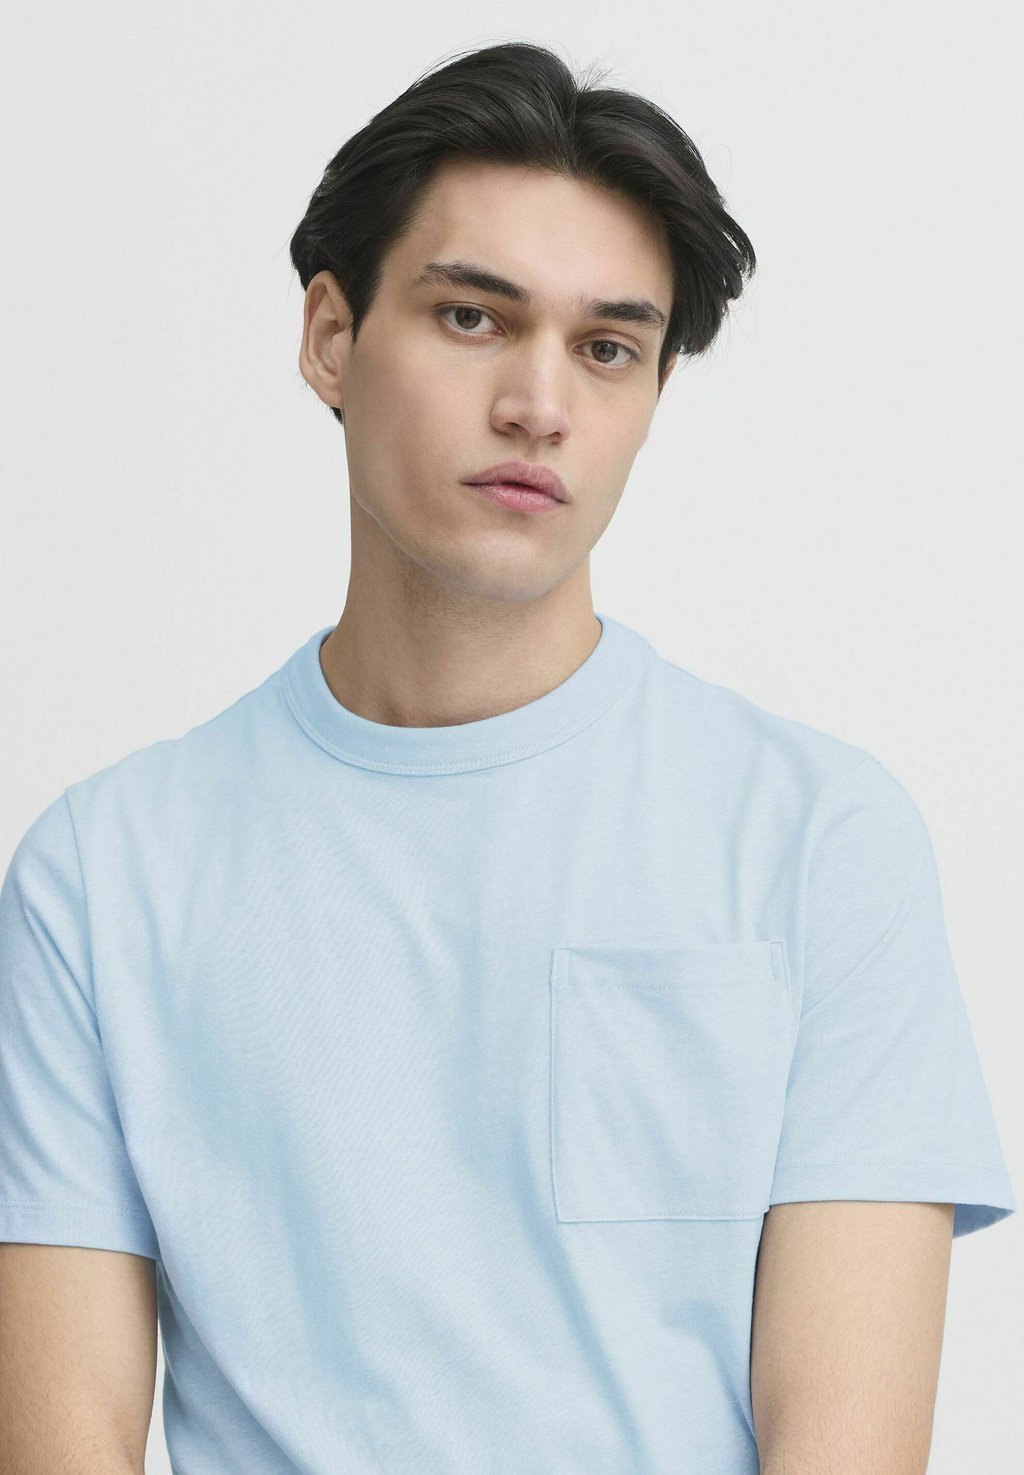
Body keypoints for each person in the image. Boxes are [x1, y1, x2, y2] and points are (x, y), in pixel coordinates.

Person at [0, 39, 1014, 1475]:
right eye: (473, 317)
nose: (541, 403)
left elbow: (846, 1450)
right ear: (331, 337)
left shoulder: (818, 841)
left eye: (607, 348)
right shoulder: (103, 877)